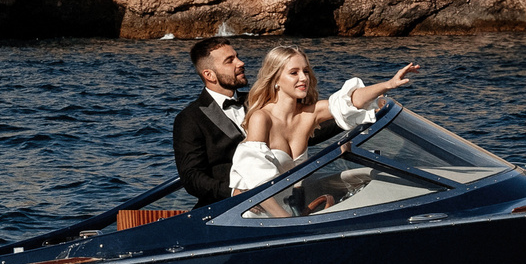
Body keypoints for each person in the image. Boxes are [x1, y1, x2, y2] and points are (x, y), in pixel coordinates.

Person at [228, 47, 419, 197]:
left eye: (306, 71)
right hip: (262, 212)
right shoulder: (261, 118)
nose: (304, 78)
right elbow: (253, 175)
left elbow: (350, 101)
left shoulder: (310, 114)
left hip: (294, 203)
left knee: (370, 180)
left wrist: (388, 84)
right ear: (276, 79)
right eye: (294, 73)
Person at [173, 37, 249, 205]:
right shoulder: (190, 119)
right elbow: (192, 177)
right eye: (230, 61)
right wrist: (233, 193)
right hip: (226, 209)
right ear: (209, 75)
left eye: (237, 56)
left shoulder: (260, 101)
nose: (240, 62)